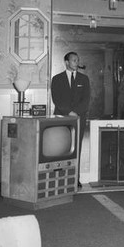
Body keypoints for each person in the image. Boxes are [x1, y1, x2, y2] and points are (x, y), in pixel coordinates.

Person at [51, 51, 90, 188]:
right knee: (61, 148)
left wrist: (76, 113)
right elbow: (57, 99)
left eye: (78, 60)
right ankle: (60, 179)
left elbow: (86, 99)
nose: (77, 63)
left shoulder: (84, 79)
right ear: (67, 62)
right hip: (62, 118)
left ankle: (74, 179)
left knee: (76, 149)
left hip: (79, 118)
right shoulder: (56, 79)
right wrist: (69, 112)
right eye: (74, 60)